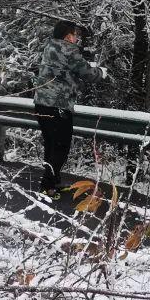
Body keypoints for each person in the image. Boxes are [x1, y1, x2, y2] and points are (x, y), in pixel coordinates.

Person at [33, 21, 106, 199]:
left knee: (51, 145)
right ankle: (46, 187)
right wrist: (101, 73)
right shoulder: (69, 49)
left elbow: (66, 68)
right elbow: (87, 73)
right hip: (58, 105)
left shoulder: (50, 46)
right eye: (75, 35)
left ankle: (53, 182)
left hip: (41, 103)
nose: (76, 38)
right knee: (61, 147)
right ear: (68, 35)